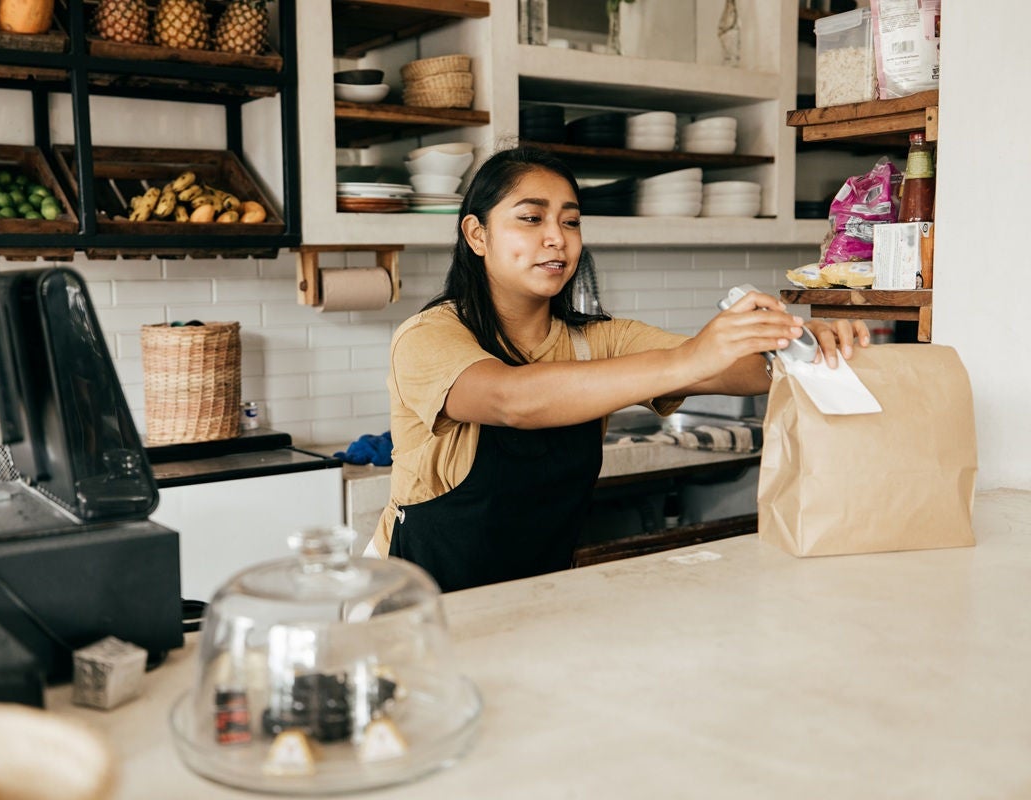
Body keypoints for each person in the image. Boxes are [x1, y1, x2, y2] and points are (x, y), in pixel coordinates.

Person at [369, 146, 868, 592]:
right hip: (417, 606)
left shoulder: (598, 339)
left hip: (536, 599)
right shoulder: (428, 334)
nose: (556, 239)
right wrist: (689, 356)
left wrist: (794, 347)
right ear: (477, 234)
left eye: (570, 221)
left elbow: (737, 373)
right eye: (530, 219)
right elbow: (509, 400)